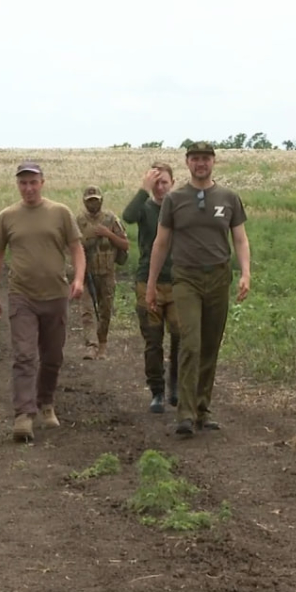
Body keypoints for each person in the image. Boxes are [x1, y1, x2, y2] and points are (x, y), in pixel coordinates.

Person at [146, 142, 251, 436]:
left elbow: (240, 239)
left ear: (214, 162)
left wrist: (245, 273)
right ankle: (185, 414)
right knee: (190, 341)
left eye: (205, 158)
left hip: (219, 276)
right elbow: (161, 242)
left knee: (210, 344)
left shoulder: (229, 197)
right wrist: (151, 285)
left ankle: (203, 409)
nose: (200, 163)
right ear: (187, 163)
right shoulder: (174, 199)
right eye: (195, 159)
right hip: (186, 278)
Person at [0, 160, 85, 443]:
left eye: (33, 182)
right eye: (23, 183)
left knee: (52, 356)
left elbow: (76, 248)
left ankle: (45, 403)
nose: (28, 188)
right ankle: (23, 415)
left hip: (56, 295)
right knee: (25, 355)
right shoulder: (7, 217)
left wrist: (78, 279)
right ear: (18, 185)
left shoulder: (60, 213)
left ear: (42, 182)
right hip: (22, 296)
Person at [122, 162, 179, 414]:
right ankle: (157, 391)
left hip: (178, 281)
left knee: (180, 336)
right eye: (155, 182)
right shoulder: (144, 208)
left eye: (164, 182)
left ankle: (175, 386)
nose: (160, 187)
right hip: (148, 281)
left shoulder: (179, 208)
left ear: (173, 183)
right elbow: (128, 216)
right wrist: (142, 190)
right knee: (153, 340)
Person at [76, 185, 129, 360]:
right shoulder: (79, 222)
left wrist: (109, 235)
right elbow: (72, 248)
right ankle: (91, 346)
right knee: (87, 311)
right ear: (84, 202)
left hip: (106, 274)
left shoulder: (111, 220)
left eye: (95, 201)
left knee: (105, 311)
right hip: (87, 274)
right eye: (89, 201)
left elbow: (125, 245)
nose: (93, 204)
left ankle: (102, 344)